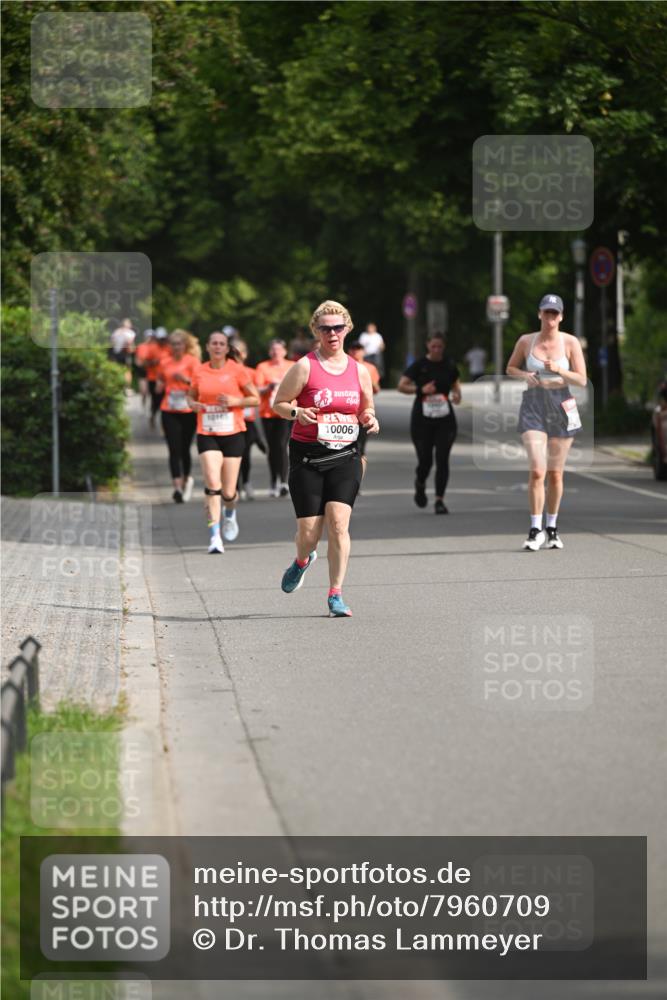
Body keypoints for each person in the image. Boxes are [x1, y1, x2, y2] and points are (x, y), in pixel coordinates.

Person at [272, 300, 379, 617]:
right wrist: (297, 412)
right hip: (308, 457)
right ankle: (303, 559)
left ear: (347, 329)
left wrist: (370, 419)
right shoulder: (305, 366)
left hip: (346, 455)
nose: (332, 333)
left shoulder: (359, 371)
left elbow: (366, 408)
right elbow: (279, 403)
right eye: (325, 328)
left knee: (338, 524)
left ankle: (336, 594)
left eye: (337, 327)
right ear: (316, 332)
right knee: (308, 534)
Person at [506, 294, 587, 551]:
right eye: (546, 312)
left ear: (561, 316)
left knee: (555, 473)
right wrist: (525, 374)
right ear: (539, 314)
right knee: (538, 470)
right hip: (533, 405)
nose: (550, 317)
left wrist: (559, 370)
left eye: (555, 313)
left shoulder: (571, 342)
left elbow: (582, 380)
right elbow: (510, 368)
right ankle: (535, 529)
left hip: (563, 405)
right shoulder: (526, 341)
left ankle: (552, 528)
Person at [187, 331, 259, 553]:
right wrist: (193, 405)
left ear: (227, 349)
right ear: (207, 347)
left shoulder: (237, 370)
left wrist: (236, 401)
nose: (217, 347)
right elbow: (190, 397)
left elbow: (255, 398)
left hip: (233, 433)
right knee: (212, 484)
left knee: (229, 492)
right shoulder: (199, 370)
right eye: (214, 343)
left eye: (221, 344)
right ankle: (214, 537)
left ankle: (230, 513)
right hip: (207, 433)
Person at [398, 332, 461, 514]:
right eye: (433, 346)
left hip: (445, 419)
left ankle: (439, 500)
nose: (436, 350)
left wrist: (457, 394)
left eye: (439, 347)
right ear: (428, 346)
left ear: (443, 347)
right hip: (422, 420)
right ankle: (420, 482)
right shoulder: (420, 365)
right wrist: (420, 389)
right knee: (425, 460)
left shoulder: (448, 363)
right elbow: (401, 385)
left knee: (442, 460)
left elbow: (455, 382)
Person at [155, 330, 200, 503]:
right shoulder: (164, 362)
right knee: (173, 449)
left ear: (185, 346)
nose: (176, 347)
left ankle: (187, 478)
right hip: (169, 408)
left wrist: (185, 380)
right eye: (173, 344)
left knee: (184, 448)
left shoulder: (193, 362)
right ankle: (177, 487)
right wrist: (159, 386)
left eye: (179, 344)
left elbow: (199, 385)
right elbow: (160, 381)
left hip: (187, 410)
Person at [255, 339, 294, 497]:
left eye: (279, 349)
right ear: (269, 352)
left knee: (282, 444)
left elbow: (300, 386)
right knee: (272, 448)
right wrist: (269, 387)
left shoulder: (292, 366)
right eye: (273, 349)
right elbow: (258, 389)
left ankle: (284, 482)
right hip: (268, 413)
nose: (276, 352)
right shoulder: (262, 367)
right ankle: (273, 481)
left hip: (286, 412)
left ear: (284, 351)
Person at [234, 339, 267, 500]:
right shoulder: (225, 372)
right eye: (233, 350)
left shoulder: (251, 373)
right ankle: (233, 486)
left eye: (239, 351)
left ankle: (246, 482)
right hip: (230, 419)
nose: (236, 354)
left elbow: (257, 395)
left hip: (247, 418)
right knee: (232, 454)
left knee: (245, 453)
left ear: (245, 354)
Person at [346, 340, 380, 468]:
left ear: (363, 352)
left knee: (360, 449)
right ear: (349, 351)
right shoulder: (344, 366)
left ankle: (357, 483)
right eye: (353, 349)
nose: (356, 351)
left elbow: (376, 389)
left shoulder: (370, 368)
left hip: (363, 412)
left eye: (359, 349)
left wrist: (367, 381)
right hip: (347, 412)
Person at [145, 328, 171, 428]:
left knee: (165, 400)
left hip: (166, 380)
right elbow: (145, 363)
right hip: (153, 378)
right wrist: (153, 362)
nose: (162, 341)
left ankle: (164, 424)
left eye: (164, 339)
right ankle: (153, 415)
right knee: (156, 400)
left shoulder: (169, 348)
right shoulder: (152, 348)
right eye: (160, 339)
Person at [109, 318, 136, 388]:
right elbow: (130, 343)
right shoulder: (130, 333)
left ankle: (116, 385)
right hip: (125, 353)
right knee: (127, 371)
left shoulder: (116, 331)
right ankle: (127, 386)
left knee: (116, 369)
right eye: (130, 324)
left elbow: (112, 342)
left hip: (115, 353)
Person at [134, 330, 153, 408]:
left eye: (151, 337)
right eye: (148, 337)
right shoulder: (141, 346)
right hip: (142, 371)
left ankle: (151, 408)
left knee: (151, 392)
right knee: (144, 391)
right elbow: (137, 360)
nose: (149, 338)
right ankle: (143, 405)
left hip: (153, 372)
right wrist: (141, 364)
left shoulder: (155, 347)